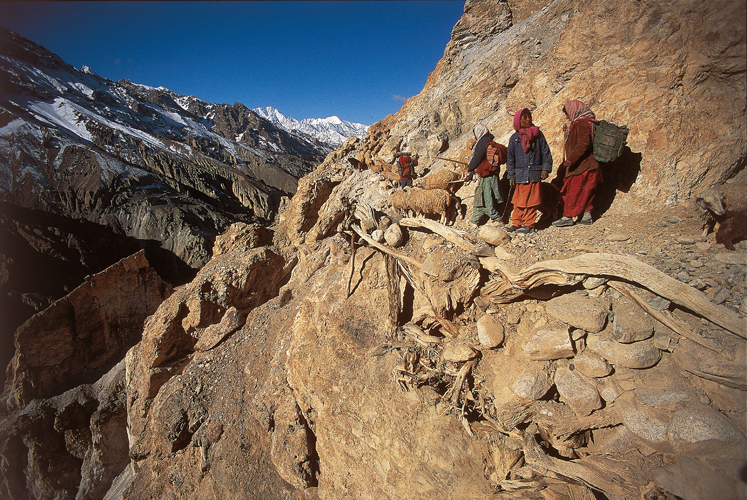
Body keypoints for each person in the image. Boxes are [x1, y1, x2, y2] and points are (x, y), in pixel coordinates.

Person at [552, 100, 601, 227]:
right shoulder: (580, 124)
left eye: (568, 114)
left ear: (574, 111)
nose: (567, 117)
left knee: (572, 191)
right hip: (586, 165)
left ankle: (568, 216)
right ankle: (586, 216)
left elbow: (584, 143)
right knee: (585, 191)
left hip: (582, 165)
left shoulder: (583, 124)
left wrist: (571, 159)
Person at [506, 108, 553, 234]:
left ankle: (528, 224)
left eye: (529, 116)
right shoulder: (514, 138)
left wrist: (545, 168)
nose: (528, 119)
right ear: (518, 121)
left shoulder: (538, 135)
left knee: (532, 201)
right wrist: (511, 175)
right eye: (524, 117)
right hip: (520, 175)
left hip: (534, 173)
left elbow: (545, 153)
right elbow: (510, 158)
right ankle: (516, 223)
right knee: (518, 201)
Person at [466, 123, 506, 225]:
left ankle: (497, 218)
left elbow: (477, 158)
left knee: (487, 197)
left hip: (488, 174)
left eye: (475, 133)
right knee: (480, 196)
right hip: (486, 173)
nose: (474, 136)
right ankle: (475, 220)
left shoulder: (483, 142)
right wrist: (471, 175)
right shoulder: (487, 140)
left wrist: (469, 168)